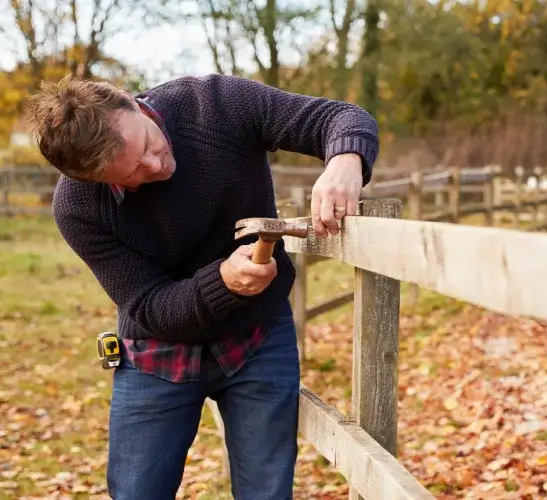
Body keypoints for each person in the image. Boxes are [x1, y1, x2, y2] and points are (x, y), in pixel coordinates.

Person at [24, 73, 379, 499]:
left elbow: (340, 117)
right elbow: (151, 306)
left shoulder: (216, 104)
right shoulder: (78, 207)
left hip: (258, 338)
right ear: (91, 179)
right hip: (156, 354)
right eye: (130, 174)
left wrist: (344, 161)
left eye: (145, 146)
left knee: (265, 492)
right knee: (137, 492)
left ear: (130, 102)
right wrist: (223, 281)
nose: (154, 167)